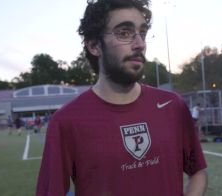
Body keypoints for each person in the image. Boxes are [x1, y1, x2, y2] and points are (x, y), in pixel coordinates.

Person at [36, 0, 207, 195]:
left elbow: (197, 172)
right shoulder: (66, 121)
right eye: (124, 33)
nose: (140, 44)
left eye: (142, 33)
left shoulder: (173, 106)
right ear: (94, 45)